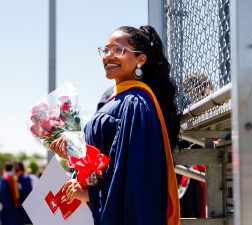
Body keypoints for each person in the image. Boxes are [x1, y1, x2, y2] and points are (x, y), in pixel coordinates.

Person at [49, 25, 181, 225]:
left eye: (119, 50)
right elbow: (105, 160)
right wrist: (73, 152)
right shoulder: (116, 99)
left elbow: (132, 177)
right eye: (106, 50)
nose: (109, 56)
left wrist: (90, 194)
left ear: (140, 60)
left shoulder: (135, 103)